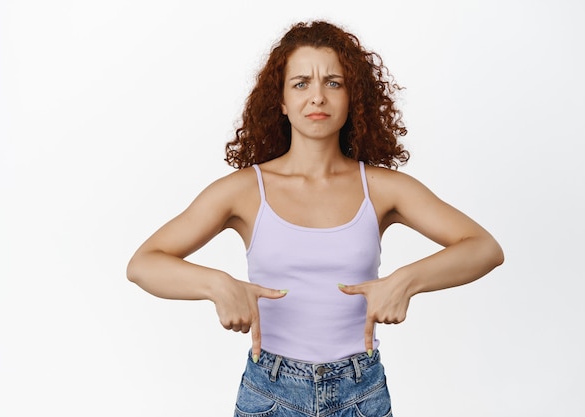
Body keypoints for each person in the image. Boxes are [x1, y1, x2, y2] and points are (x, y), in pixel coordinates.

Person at [127, 20, 504, 417]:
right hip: (271, 392)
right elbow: (143, 264)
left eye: (334, 83)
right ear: (282, 101)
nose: (318, 97)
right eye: (301, 83)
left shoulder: (382, 188)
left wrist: (406, 281)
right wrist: (215, 284)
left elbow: (484, 248)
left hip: (360, 392)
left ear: (352, 96)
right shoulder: (243, 191)